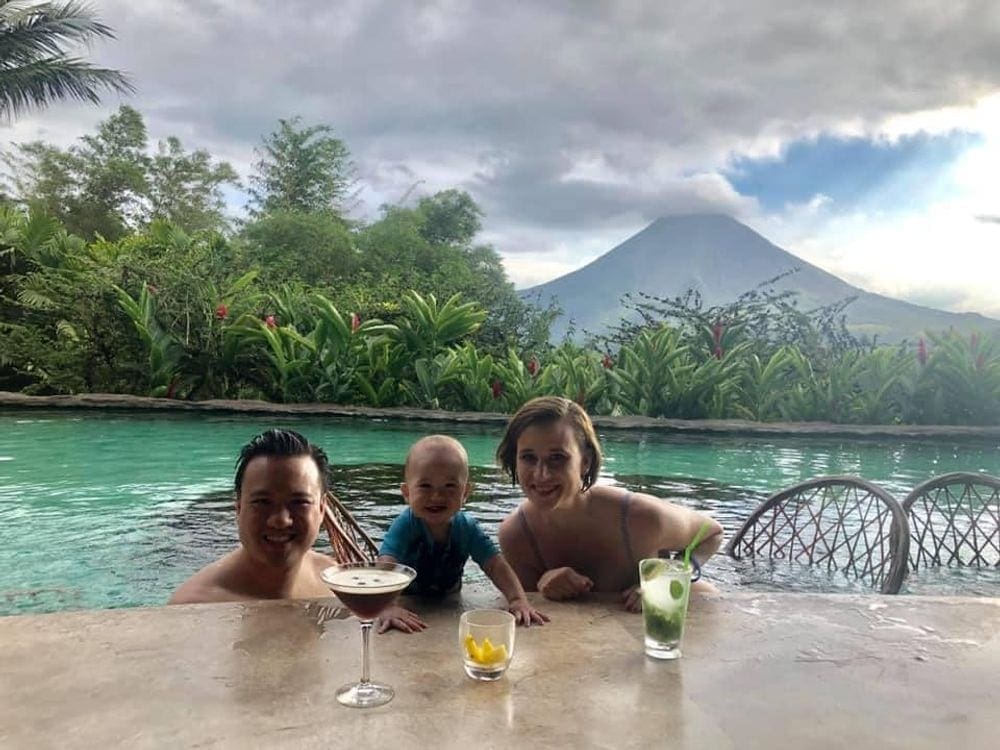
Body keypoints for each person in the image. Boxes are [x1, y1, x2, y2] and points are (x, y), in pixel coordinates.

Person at [496, 397, 724, 612]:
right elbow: (531, 615)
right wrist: (541, 585)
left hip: (675, 626)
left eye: (557, 458)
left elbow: (711, 533)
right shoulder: (517, 535)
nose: (541, 474)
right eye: (528, 457)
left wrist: (671, 578)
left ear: (585, 462)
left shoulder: (639, 518)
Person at [377, 434, 548, 632]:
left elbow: (495, 564)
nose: (437, 496)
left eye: (450, 486)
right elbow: (386, 563)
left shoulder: (467, 528)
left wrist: (518, 600)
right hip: (408, 601)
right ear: (407, 493)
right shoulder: (406, 525)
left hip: (449, 602)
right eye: (425, 486)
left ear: (465, 493)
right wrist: (387, 605)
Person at [168, 428, 337, 604]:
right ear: (238, 508)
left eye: (299, 502)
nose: (280, 520)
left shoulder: (336, 585)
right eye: (262, 502)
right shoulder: (194, 607)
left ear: (322, 509)